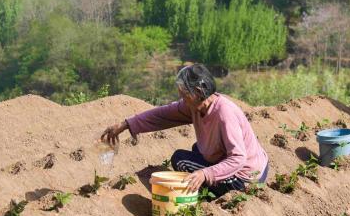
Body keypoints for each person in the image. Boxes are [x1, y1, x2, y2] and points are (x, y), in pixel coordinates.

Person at [101, 64, 269, 197]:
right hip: (256, 164)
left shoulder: (224, 114)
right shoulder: (196, 106)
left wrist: (205, 174)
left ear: (197, 92)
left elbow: (238, 158)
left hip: (246, 177)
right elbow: (162, 115)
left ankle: (201, 197)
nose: (181, 99)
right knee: (199, 148)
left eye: (184, 95)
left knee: (180, 160)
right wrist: (126, 125)